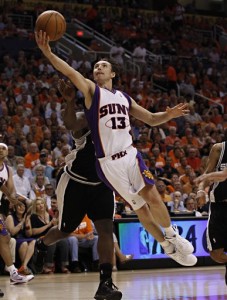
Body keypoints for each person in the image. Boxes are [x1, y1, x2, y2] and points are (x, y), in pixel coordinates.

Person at [35, 30, 197, 290]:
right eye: (96, 66)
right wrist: (48, 52)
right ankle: (168, 248)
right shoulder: (91, 92)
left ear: (113, 74)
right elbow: (69, 72)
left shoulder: (123, 97)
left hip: (131, 154)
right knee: (140, 209)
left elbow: (153, 119)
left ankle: (171, 236)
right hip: (108, 164)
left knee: (152, 196)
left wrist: (169, 114)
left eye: (103, 66)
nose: (98, 68)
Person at [32, 81, 122, 300]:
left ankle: (105, 283)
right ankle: (42, 245)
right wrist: (70, 100)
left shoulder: (119, 119)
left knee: (106, 230)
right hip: (76, 183)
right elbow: (71, 123)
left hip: (102, 184)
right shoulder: (87, 118)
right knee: (65, 230)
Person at [0, 143, 34, 297]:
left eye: (4, 148)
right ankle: (13, 273)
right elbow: (2, 186)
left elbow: (11, 191)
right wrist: (14, 201)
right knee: (4, 237)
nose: (1, 150)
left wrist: (24, 201)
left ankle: (13, 272)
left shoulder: (8, 169)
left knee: (5, 238)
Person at [195, 141, 227, 285]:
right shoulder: (218, 149)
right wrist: (201, 190)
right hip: (218, 206)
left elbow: (223, 175)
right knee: (215, 254)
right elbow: (207, 174)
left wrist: (206, 178)